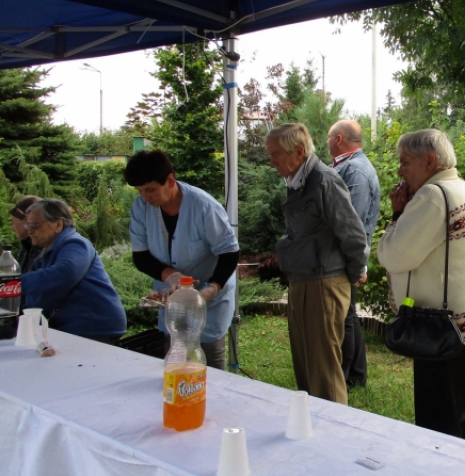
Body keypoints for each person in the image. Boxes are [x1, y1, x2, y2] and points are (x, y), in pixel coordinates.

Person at [377, 129, 465, 440]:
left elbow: (392, 255)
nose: (400, 170)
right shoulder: (457, 188)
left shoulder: (433, 196)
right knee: (452, 416)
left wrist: (397, 215)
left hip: (445, 330)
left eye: (405, 162)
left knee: (438, 428)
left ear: (429, 161)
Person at [267, 123, 368, 405]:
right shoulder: (297, 181)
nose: (271, 160)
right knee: (306, 366)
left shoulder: (324, 180)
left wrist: (352, 274)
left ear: (298, 152)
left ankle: (334, 438)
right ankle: (312, 431)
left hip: (325, 283)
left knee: (324, 372)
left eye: (276, 154)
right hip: (303, 280)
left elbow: (354, 235)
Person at [124, 150, 239, 371]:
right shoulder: (141, 208)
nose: (146, 198)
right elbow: (141, 256)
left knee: (208, 363)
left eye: (150, 190)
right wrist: (172, 276)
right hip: (171, 295)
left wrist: (211, 290)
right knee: (175, 359)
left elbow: (229, 253)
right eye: (140, 192)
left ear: (170, 180)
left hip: (209, 293)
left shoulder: (204, 206)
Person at [20, 199, 126, 343]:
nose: (30, 230)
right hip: (72, 328)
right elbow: (39, 296)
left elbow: (65, 273)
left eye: (35, 225)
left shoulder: (75, 243)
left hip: (93, 326)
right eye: (28, 225)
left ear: (58, 225)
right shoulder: (46, 253)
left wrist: (14, 284)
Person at [327, 119, 380, 389]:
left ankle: (344, 379)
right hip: (346, 254)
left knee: (344, 316)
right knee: (349, 313)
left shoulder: (355, 171)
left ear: (338, 140)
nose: (325, 143)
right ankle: (357, 374)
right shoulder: (345, 166)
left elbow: (354, 224)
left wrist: (356, 265)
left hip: (347, 256)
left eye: (328, 138)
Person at [9, 195, 42, 275]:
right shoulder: (27, 246)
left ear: (26, 220)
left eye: (13, 222)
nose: (12, 228)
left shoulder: (42, 250)